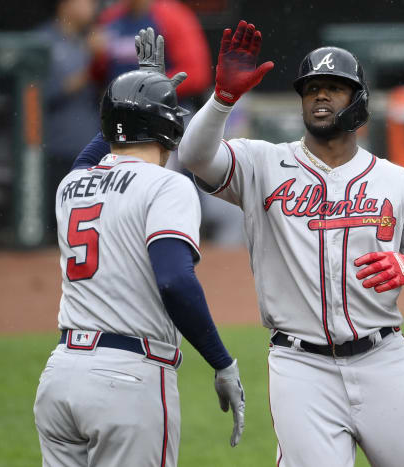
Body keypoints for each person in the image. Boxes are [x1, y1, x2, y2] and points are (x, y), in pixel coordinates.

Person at [177, 21, 404, 466]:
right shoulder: (263, 163)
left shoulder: (398, 183)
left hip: (383, 358)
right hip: (301, 367)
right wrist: (222, 100)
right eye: (312, 87)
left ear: (360, 104)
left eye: (335, 87)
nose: (320, 95)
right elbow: (195, 157)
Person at [33, 29, 245, 467]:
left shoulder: (71, 184)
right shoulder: (168, 185)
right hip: (128, 380)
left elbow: (97, 153)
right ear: (170, 128)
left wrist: (142, 85)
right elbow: (173, 280)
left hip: (60, 377)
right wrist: (221, 362)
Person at [37, 0, 101, 235]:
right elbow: (40, 93)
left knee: (88, 226)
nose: (92, 7)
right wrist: (91, 66)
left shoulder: (91, 39)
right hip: (54, 148)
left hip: (91, 148)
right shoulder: (42, 41)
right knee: (53, 227)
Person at [90, 0, 211, 102]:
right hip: (120, 111)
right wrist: (98, 59)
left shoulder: (173, 17)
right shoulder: (110, 18)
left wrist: (147, 90)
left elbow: (197, 75)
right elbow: (99, 76)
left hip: (166, 111)